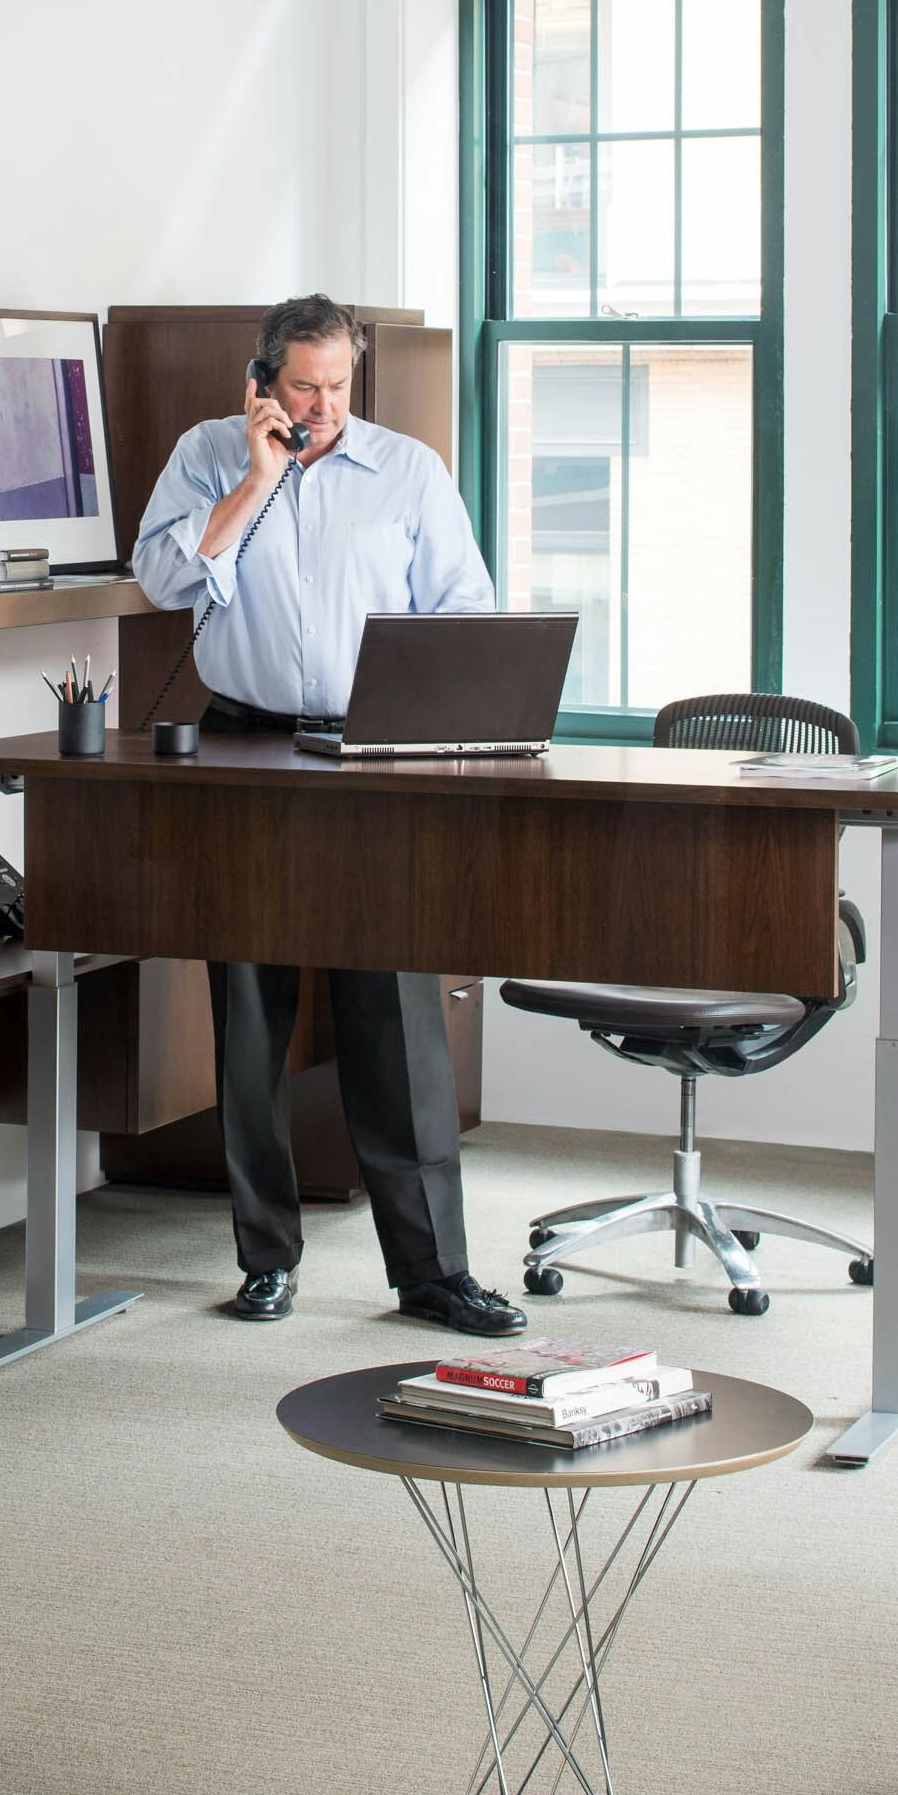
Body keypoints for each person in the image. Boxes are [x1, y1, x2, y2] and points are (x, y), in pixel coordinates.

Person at [130, 294, 524, 1337]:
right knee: (249, 1016)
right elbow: (163, 578)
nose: (325, 405)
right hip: (243, 743)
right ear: (261, 381)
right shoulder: (208, 456)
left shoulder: (408, 471)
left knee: (396, 1019)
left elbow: (465, 615)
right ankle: (265, 1259)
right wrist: (257, 482)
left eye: (340, 384)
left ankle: (434, 1272)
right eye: (304, 385)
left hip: (374, 749)